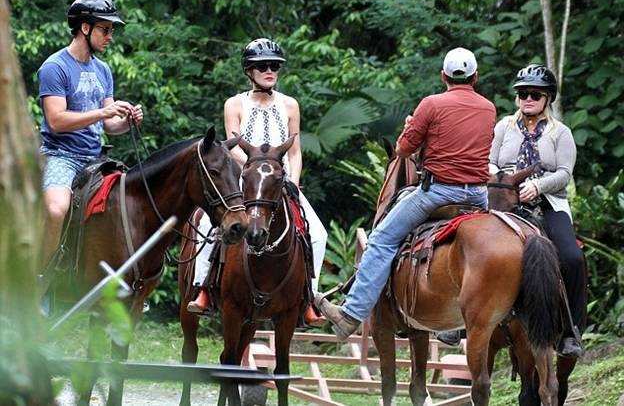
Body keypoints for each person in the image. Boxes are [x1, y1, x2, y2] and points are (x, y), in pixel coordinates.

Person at [314, 48, 497, 340]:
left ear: (443, 76)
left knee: (381, 240)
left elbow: (403, 149)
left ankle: (351, 314)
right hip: (478, 197)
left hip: (439, 194)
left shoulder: (432, 104)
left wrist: (412, 127)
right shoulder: (489, 108)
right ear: (475, 77)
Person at [187, 38, 328, 326]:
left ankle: (308, 297)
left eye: (274, 66)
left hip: (280, 181)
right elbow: (234, 146)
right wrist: (256, 167)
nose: (269, 71)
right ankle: (203, 287)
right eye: (262, 66)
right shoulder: (234, 103)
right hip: (244, 179)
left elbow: (296, 150)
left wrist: (295, 182)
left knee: (317, 233)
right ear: (249, 71)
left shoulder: (290, 105)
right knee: (206, 224)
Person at [39, 0, 143, 267]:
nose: (110, 36)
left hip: (97, 159)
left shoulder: (103, 70)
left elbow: (109, 125)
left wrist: (127, 120)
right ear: (85, 28)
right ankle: (40, 281)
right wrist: (102, 112)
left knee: (131, 204)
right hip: (61, 156)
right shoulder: (55, 67)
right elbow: (56, 121)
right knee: (56, 209)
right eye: (105, 30)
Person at [489, 64, 585, 357]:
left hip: (546, 202)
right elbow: (490, 161)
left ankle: (571, 330)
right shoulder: (503, 126)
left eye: (534, 94)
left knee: (572, 257)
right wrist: (500, 178)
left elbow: (564, 173)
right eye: (522, 94)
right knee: (465, 239)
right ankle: (456, 320)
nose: (527, 99)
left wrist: (538, 187)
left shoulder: (561, 133)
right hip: (504, 199)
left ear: (547, 98)